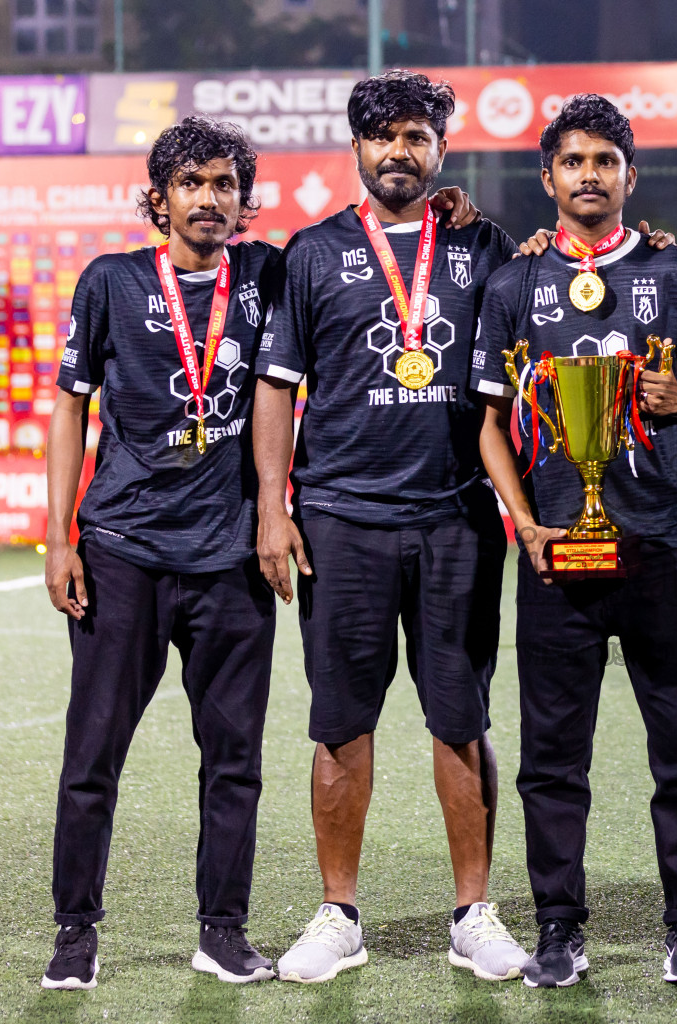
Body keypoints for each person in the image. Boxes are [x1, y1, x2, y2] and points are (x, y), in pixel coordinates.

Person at [255, 70, 530, 984]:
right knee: (340, 723)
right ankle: (338, 913)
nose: (399, 151)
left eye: (417, 136)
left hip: (457, 516)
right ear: (357, 148)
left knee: (461, 719)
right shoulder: (311, 252)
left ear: (442, 149)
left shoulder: (484, 243)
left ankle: (473, 913)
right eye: (383, 136)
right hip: (341, 518)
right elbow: (276, 388)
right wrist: (272, 505)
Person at [471, 94, 677, 989]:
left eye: (605, 161)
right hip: (557, 553)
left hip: (662, 543)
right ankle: (557, 929)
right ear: (548, 178)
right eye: (573, 162)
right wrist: (525, 522)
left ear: (629, 176)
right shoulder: (514, 284)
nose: (589, 175)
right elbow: (488, 425)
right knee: (551, 757)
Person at [40, 115, 282, 990]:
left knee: (235, 761)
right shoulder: (109, 281)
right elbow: (70, 406)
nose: (208, 199)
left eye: (224, 184)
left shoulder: (269, 275)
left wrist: (451, 212)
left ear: (243, 201)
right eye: (191, 183)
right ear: (160, 197)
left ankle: (223, 931)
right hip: (122, 551)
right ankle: (76, 931)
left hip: (230, 558)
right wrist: (58, 536)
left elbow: (360, 250)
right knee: (92, 756)